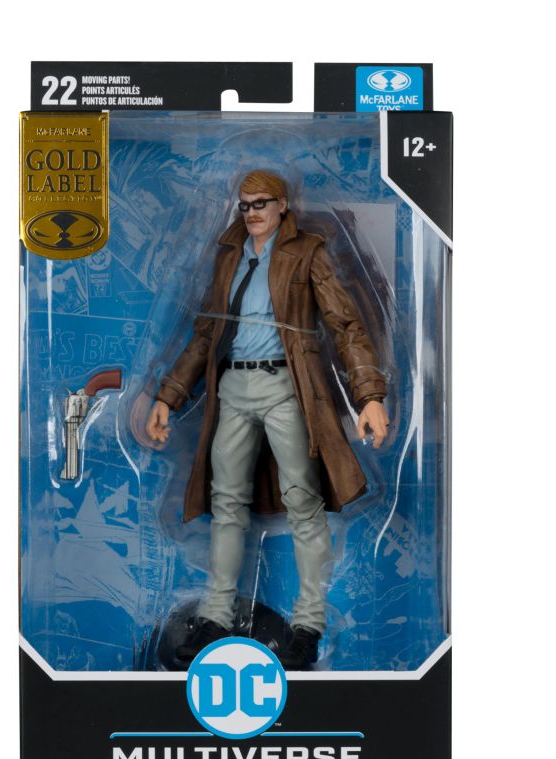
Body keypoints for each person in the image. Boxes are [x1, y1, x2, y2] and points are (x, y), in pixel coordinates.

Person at [146, 170, 389, 669]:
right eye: (245, 204)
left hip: (285, 387)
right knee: (226, 503)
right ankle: (216, 616)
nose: (252, 212)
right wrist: (168, 396)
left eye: (261, 203)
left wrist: (369, 395)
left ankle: (308, 625)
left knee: (303, 501)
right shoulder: (229, 255)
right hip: (232, 388)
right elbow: (205, 334)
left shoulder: (307, 252)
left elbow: (345, 324)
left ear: (282, 204)